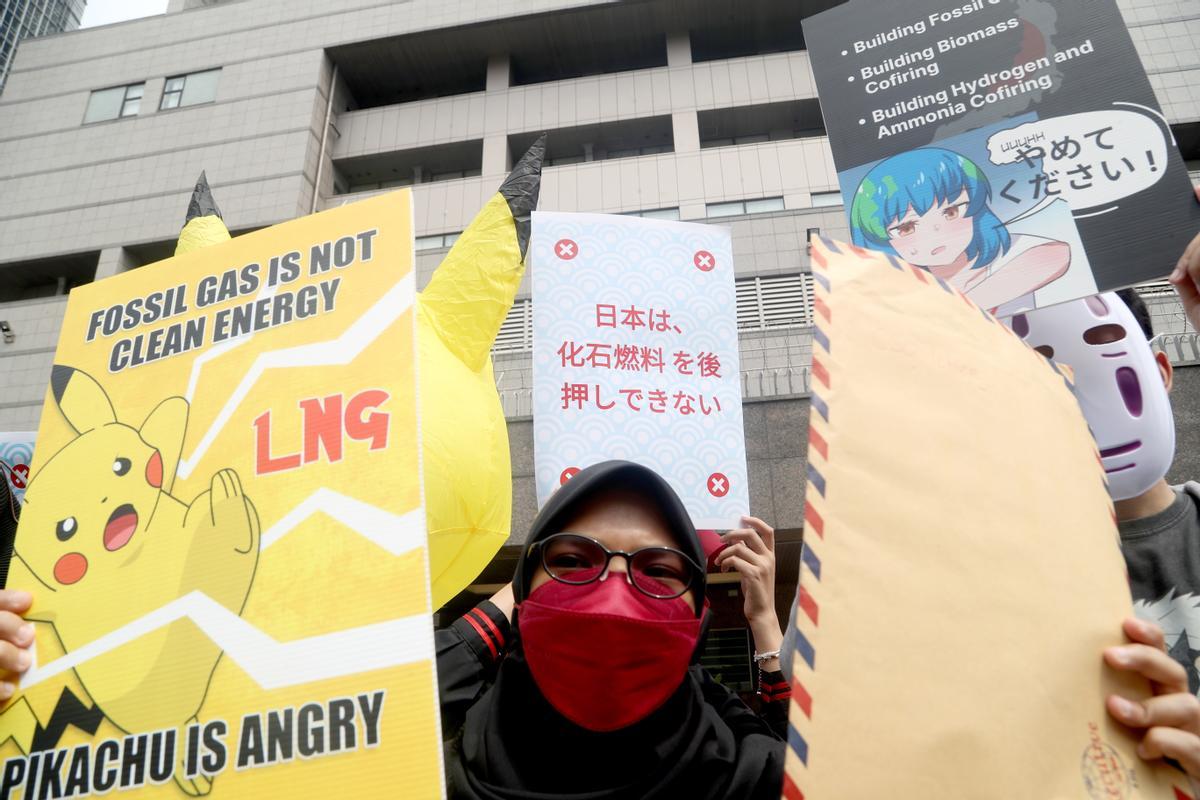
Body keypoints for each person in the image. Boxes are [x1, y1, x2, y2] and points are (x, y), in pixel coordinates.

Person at [436, 460, 786, 799]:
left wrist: (765, 618)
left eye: (658, 570)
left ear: (698, 622)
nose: (615, 598)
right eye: (571, 562)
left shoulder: (760, 779)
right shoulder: (428, 770)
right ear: (522, 591)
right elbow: (415, 694)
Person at [849, 147, 1070, 313]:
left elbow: (1053, 255)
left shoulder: (1006, 252)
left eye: (951, 212)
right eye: (906, 227)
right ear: (881, 240)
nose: (936, 232)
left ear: (974, 207)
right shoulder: (906, 294)